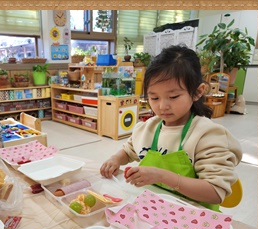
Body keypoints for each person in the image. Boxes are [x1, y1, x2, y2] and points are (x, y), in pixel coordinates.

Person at [100, 45, 242, 211]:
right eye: (154, 97)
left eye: (173, 97)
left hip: (195, 219)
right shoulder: (148, 128)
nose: (162, 106)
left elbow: (215, 192)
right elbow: (129, 149)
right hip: (156, 209)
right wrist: (116, 159)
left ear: (197, 92)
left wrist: (161, 176)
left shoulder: (208, 135)